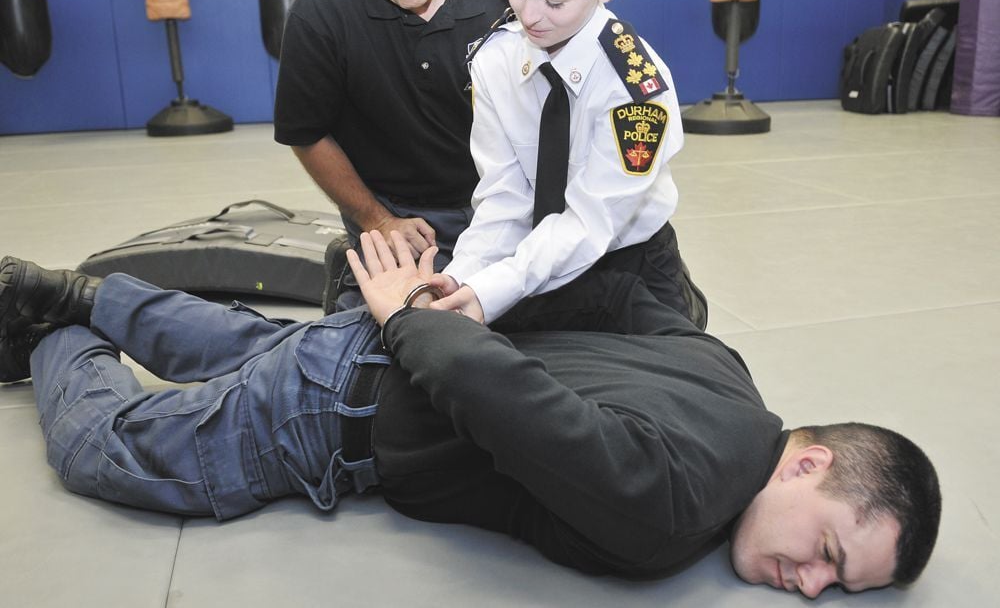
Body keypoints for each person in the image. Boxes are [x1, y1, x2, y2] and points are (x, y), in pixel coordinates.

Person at [0, 245, 940, 597]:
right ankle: (49, 333)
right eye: (829, 555)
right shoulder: (675, 510)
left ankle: (77, 290)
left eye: (838, 592)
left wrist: (461, 292)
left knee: (237, 345)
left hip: (355, 353)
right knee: (110, 453)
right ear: (810, 466)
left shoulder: (729, 375)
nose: (811, 588)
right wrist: (415, 317)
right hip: (335, 415)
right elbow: (521, 412)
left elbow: (615, 292)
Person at [427, 0, 705, 328]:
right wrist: (463, 277)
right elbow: (506, 197)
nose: (530, 16)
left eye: (554, 1)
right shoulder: (496, 62)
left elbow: (591, 222)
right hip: (535, 256)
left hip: (631, 266)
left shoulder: (636, 93)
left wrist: (493, 290)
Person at [272, 0, 508, 292]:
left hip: (502, 200)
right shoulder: (320, 7)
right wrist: (375, 219)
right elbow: (305, 133)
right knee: (410, 332)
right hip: (392, 209)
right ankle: (351, 264)